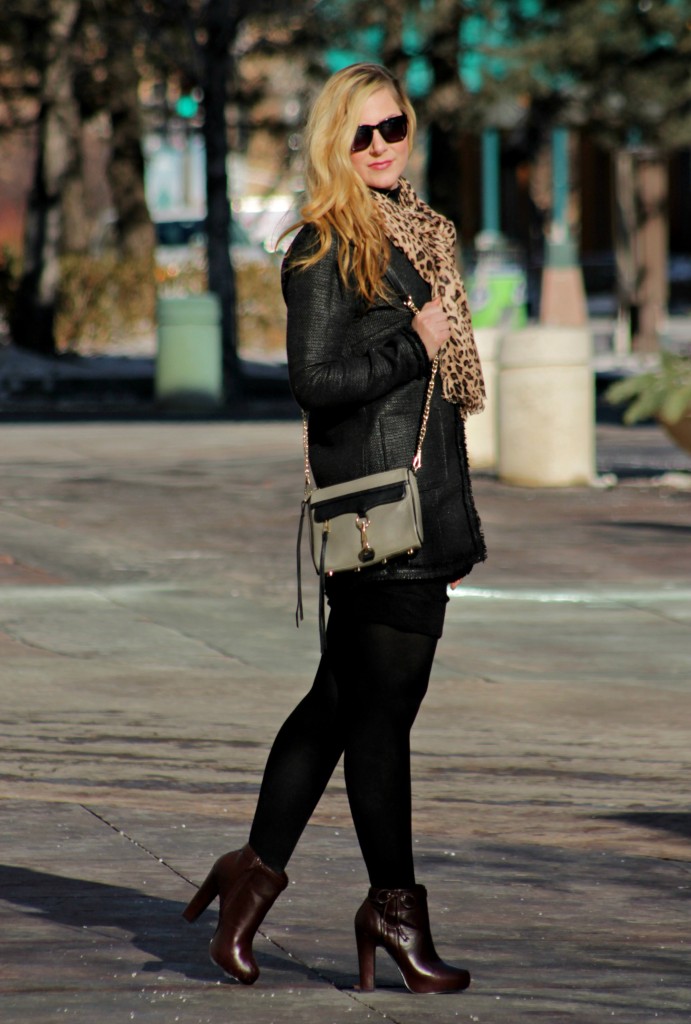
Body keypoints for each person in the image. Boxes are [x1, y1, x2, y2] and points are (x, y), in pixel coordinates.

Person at [183, 62, 487, 995]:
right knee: (378, 720)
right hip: (377, 523)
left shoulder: (424, 235)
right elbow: (314, 384)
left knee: (336, 707)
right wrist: (414, 342)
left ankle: (251, 878)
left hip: (423, 508)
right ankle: (391, 912)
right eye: (359, 134)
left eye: (391, 127)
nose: (380, 146)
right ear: (331, 144)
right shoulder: (324, 245)